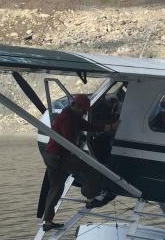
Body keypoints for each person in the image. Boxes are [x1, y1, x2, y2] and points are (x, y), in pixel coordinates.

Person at [38, 94, 116, 231]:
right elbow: (69, 140)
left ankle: (47, 221)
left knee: (56, 188)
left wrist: (106, 127)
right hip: (60, 157)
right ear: (76, 106)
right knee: (92, 168)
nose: (85, 113)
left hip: (50, 156)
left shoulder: (71, 115)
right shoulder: (68, 119)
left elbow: (87, 126)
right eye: (84, 110)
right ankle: (90, 198)